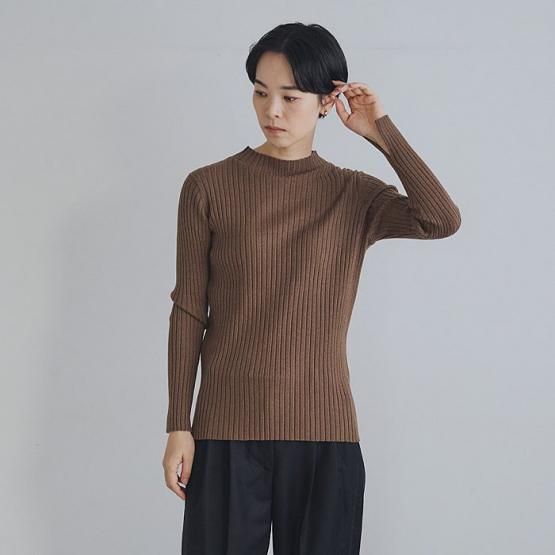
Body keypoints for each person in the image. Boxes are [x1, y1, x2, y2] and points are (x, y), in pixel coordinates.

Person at [162, 21, 461, 555]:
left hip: (325, 432)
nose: (272, 110)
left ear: (327, 102)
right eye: (260, 92)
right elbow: (188, 310)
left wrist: (380, 132)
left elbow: (441, 219)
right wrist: (178, 425)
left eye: (290, 96)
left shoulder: (354, 195)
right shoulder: (208, 186)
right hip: (226, 429)